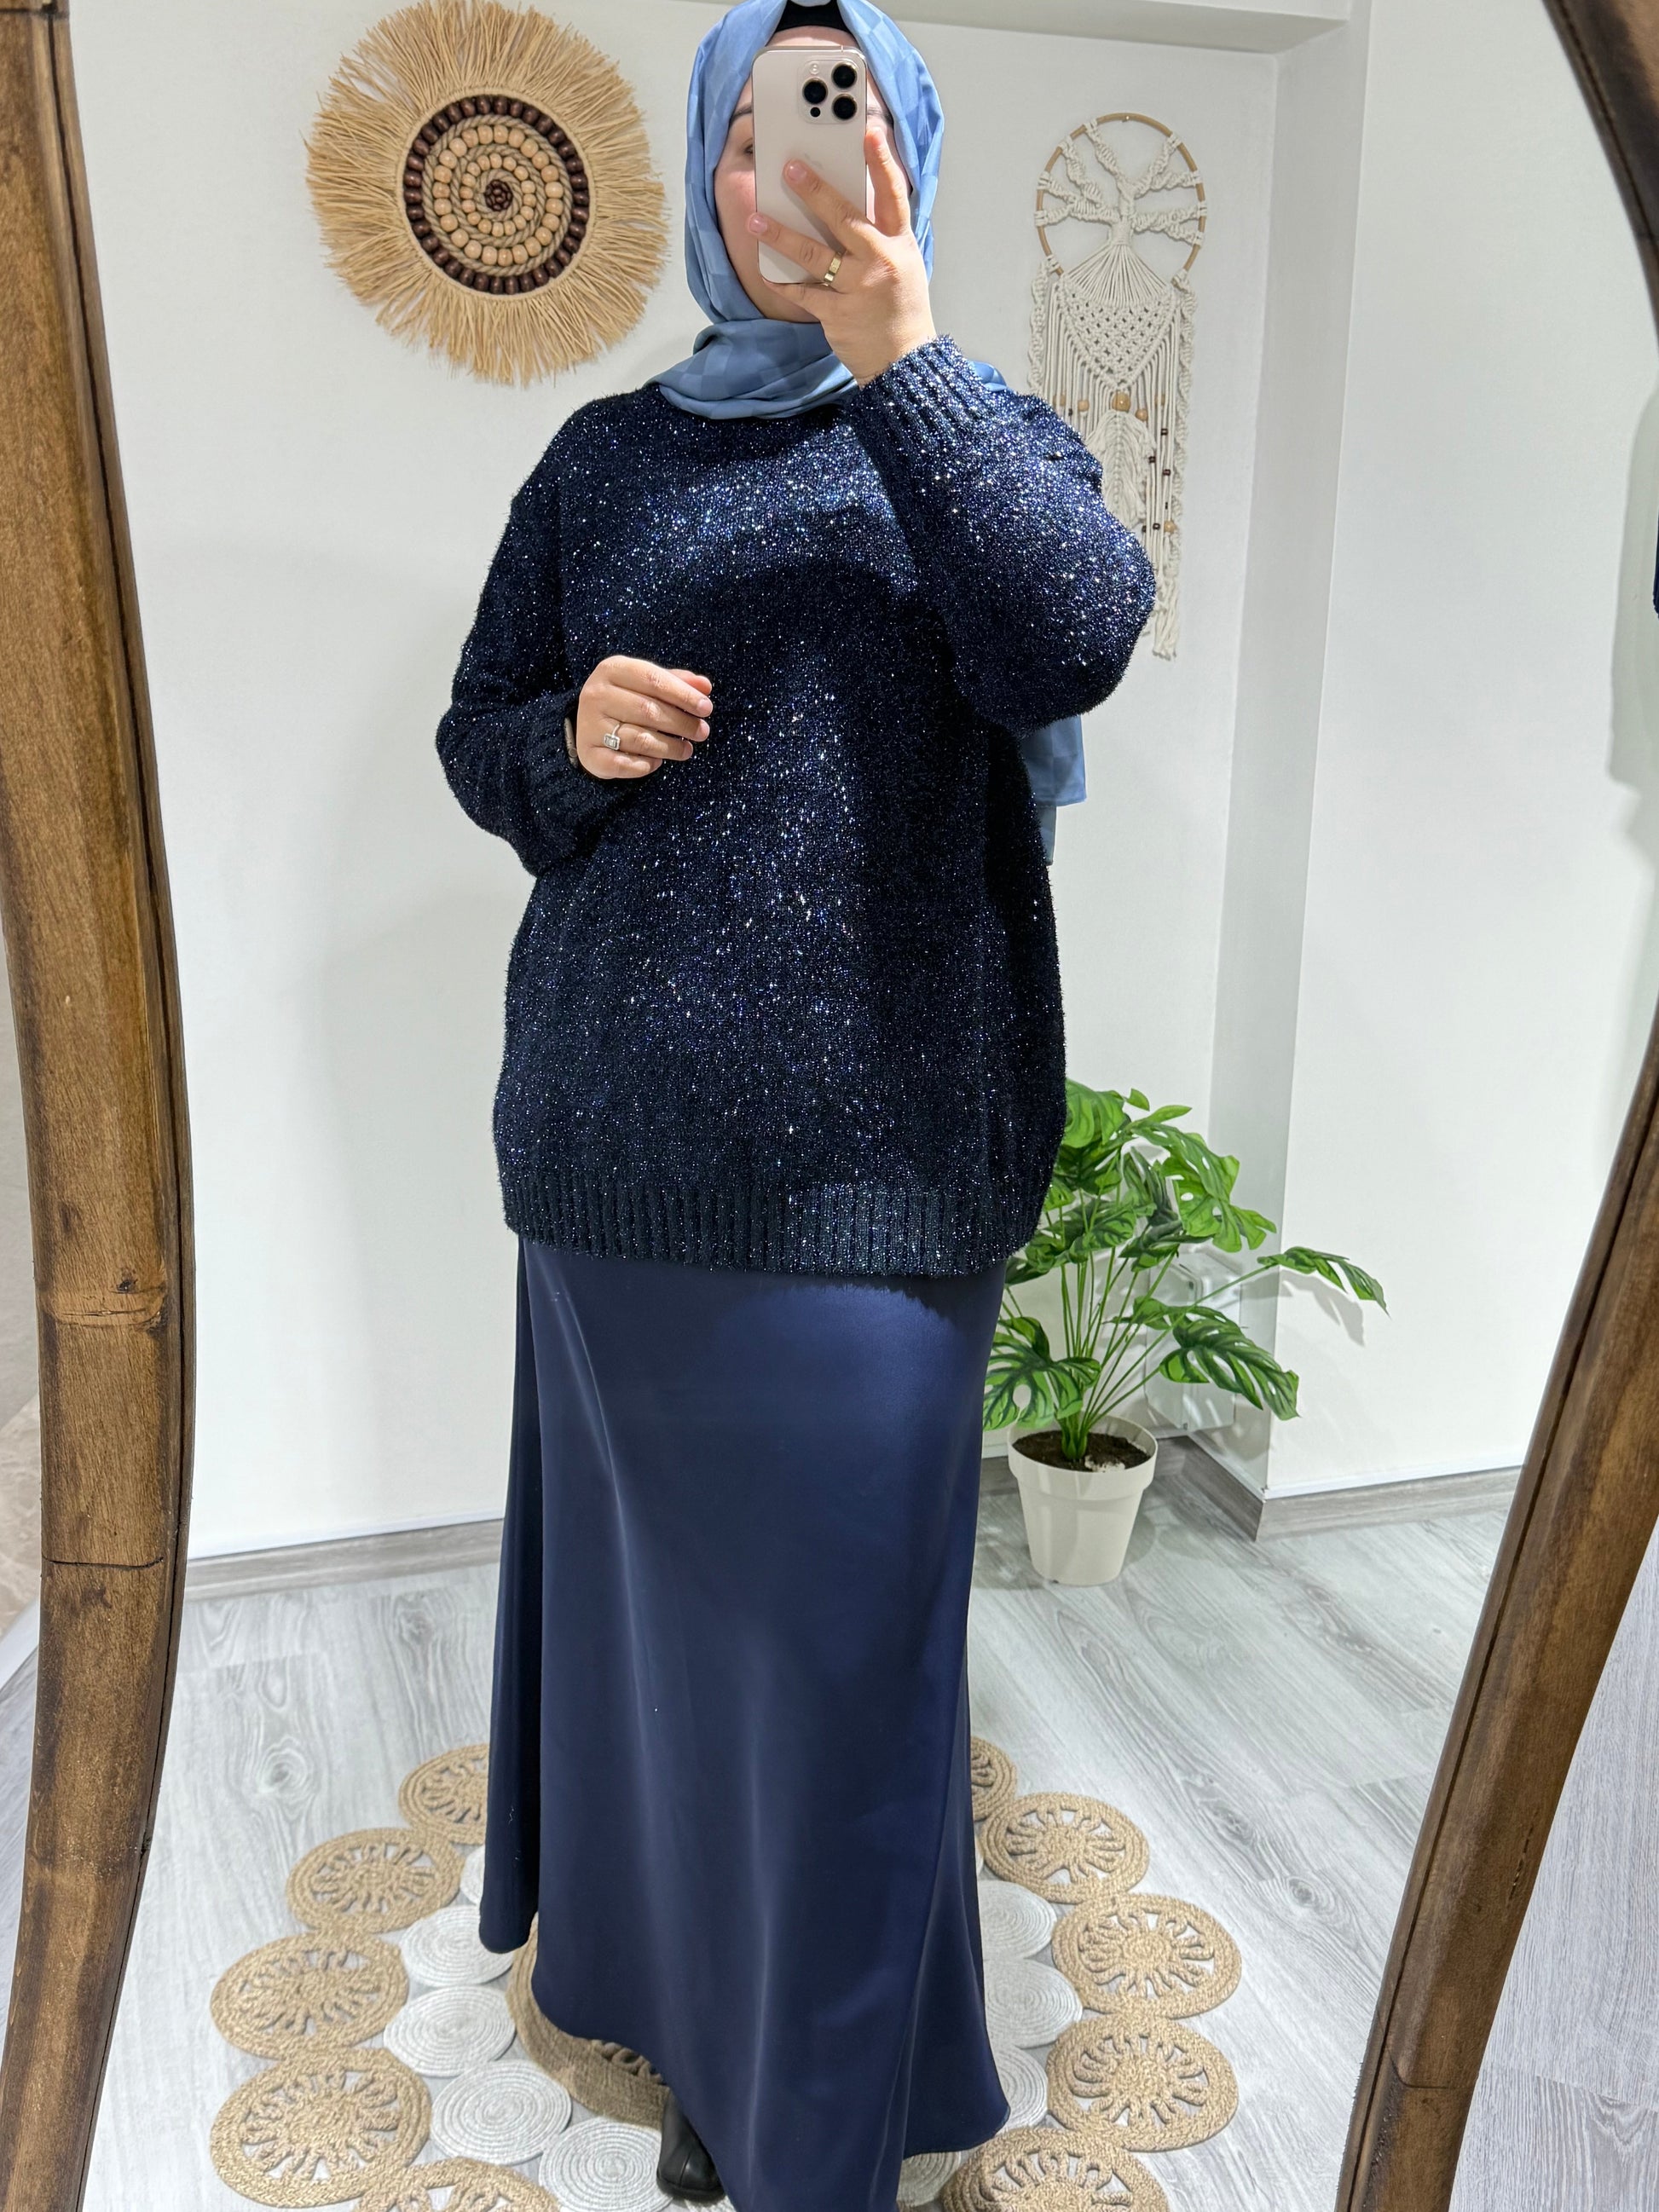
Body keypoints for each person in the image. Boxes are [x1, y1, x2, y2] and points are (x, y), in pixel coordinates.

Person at [436, 2, 1156, 2207]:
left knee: (842, 1686)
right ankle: (694, 2030)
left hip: (882, 1181)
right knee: (663, 1658)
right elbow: (480, 738)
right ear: (704, 164)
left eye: (838, 125)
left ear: (904, 154)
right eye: (756, 132)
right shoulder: (602, 464)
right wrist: (569, 739)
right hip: (615, 1166)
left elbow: (1068, 636)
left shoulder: (983, 428)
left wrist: (903, 359)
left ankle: (813, 2123)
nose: (791, 178)